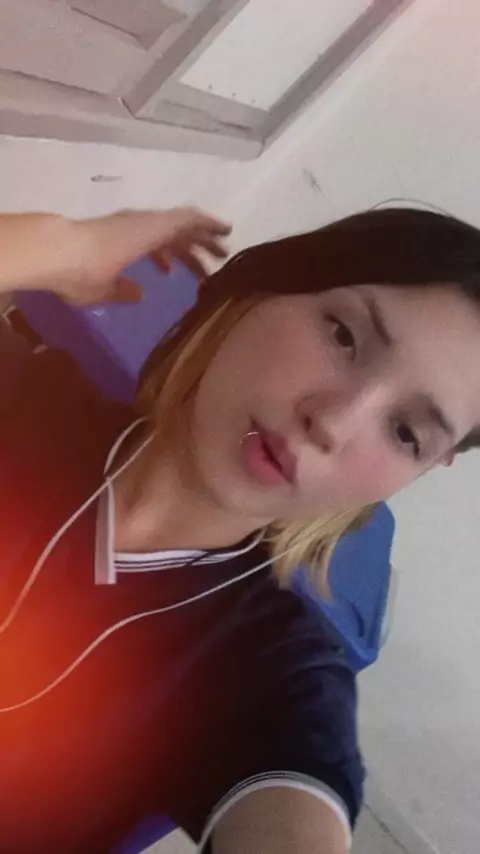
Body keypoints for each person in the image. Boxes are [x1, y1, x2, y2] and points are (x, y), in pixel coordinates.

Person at [0, 204, 480, 854]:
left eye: (404, 432)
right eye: (343, 336)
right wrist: (65, 244)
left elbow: (292, 803)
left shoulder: (271, 673)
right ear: (270, 286)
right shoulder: (21, 398)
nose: (332, 423)